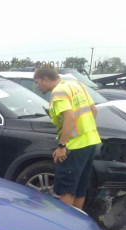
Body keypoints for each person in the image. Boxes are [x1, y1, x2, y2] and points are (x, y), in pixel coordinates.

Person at [33, 66, 101, 210]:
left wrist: (62, 146)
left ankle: (65, 227)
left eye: (37, 82)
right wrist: (85, 129)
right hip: (90, 142)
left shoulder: (58, 92)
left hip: (74, 147)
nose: (36, 86)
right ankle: (77, 223)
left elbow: (70, 117)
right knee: (80, 187)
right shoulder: (76, 85)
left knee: (67, 189)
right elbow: (93, 110)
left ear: (45, 79)